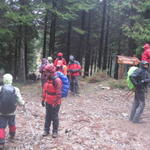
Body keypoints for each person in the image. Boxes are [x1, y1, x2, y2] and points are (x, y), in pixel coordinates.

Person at [0, 74, 25, 148]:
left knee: (1, 126)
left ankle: (1, 141)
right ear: (11, 80)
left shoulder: (0, 88)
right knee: (12, 123)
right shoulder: (15, 89)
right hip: (12, 111)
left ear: (3, 80)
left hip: (1, 112)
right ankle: (12, 135)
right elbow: (19, 100)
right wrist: (23, 103)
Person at [41, 64, 62, 138]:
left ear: (51, 72)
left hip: (55, 102)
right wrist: (43, 99)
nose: (45, 73)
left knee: (54, 116)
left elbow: (59, 94)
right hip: (48, 101)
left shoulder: (57, 80)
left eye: (46, 72)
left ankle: (55, 131)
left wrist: (55, 103)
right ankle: (46, 130)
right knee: (47, 116)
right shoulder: (47, 79)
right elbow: (45, 90)